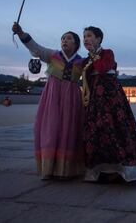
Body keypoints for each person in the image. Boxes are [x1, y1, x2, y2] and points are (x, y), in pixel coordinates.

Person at [12, 23, 84, 180]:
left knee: (68, 129)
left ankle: (65, 169)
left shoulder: (82, 62)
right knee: (51, 126)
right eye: (63, 38)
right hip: (52, 95)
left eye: (69, 38)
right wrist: (21, 33)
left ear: (76, 44)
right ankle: (48, 168)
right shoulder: (52, 55)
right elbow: (36, 48)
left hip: (71, 97)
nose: (64, 40)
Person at [82, 26, 136, 182]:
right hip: (95, 100)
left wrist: (93, 53)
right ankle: (102, 170)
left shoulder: (107, 53)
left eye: (89, 35)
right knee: (97, 130)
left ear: (99, 39)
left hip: (111, 99)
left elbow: (101, 68)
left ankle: (123, 168)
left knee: (115, 128)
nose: (86, 39)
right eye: (84, 36)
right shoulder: (86, 60)